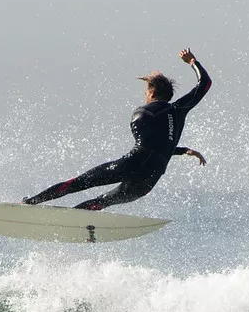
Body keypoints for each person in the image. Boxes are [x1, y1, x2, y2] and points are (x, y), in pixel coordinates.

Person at [22, 48, 212, 210]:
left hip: (130, 165)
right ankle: (77, 221)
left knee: (77, 184)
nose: (145, 96)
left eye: (146, 91)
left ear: (152, 92)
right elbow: (205, 83)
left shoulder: (142, 113)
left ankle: (30, 203)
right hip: (148, 181)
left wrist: (179, 150)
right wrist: (192, 61)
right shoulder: (179, 109)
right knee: (102, 201)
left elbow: (148, 146)